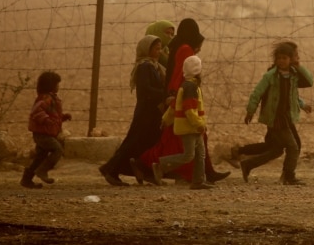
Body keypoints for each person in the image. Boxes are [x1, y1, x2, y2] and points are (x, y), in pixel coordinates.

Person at [140, 18, 229, 183]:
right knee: (183, 142)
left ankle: (202, 175)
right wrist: (175, 95)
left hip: (177, 97)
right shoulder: (186, 51)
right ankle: (151, 164)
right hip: (182, 100)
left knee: (178, 141)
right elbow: (179, 73)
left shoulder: (179, 47)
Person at [98, 33, 167, 187]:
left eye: (159, 49)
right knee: (133, 142)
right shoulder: (144, 66)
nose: (158, 52)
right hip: (145, 113)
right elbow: (145, 90)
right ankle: (111, 170)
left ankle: (143, 170)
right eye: (156, 49)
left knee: (147, 142)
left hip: (152, 112)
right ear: (146, 50)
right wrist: (164, 94)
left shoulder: (154, 66)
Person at [240, 41, 313, 185]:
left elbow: (301, 88)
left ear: (290, 59)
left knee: (277, 150)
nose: (281, 61)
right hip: (276, 118)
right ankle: (289, 176)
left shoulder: (293, 75)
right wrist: (250, 111)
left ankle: (248, 164)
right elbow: (257, 93)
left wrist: (302, 105)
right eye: (279, 58)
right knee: (293, 147)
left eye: (285, 58)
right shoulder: (270, 76)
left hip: (287, 117)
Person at [153, 55, 214, 190]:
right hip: (189, 127)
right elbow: (189, 110)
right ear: (197, 71)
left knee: (200, 154)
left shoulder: (186, 86)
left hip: (193, 127)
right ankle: (161, 165)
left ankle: (198, 181)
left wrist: (165, 119)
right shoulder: (190, 87)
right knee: (189, 155)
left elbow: (174, 106)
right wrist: (199, 124)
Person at [23, 71, 71, 189]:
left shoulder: (51, 98)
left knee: (40, 156)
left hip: (45, 133)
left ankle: (26, 179)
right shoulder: (45, 99)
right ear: (51, 86)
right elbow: (37, 111)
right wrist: (46, 120)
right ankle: (43, 170)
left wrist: (63, 117)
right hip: (43, 134)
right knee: (57, 150)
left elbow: (53, 115)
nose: (58, 87)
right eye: (57, 84)